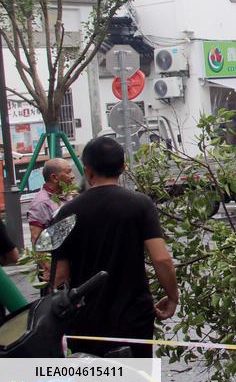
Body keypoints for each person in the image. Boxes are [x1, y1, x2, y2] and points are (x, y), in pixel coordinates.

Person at [51, 136, 178, 360]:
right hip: (133, 319)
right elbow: (161, 259)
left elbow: (61, 276)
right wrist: (172, 296)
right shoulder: (140, 204)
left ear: (87, 171)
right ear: (122, 168)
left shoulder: (66, 213)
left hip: (86, 323)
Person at [27, 158, 76, 286]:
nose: (73, 176)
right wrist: (49, 269)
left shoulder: (68, 196)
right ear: (54, 177)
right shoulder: (41, 203)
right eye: (68, 172)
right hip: (56, 269)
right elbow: (36, 239)